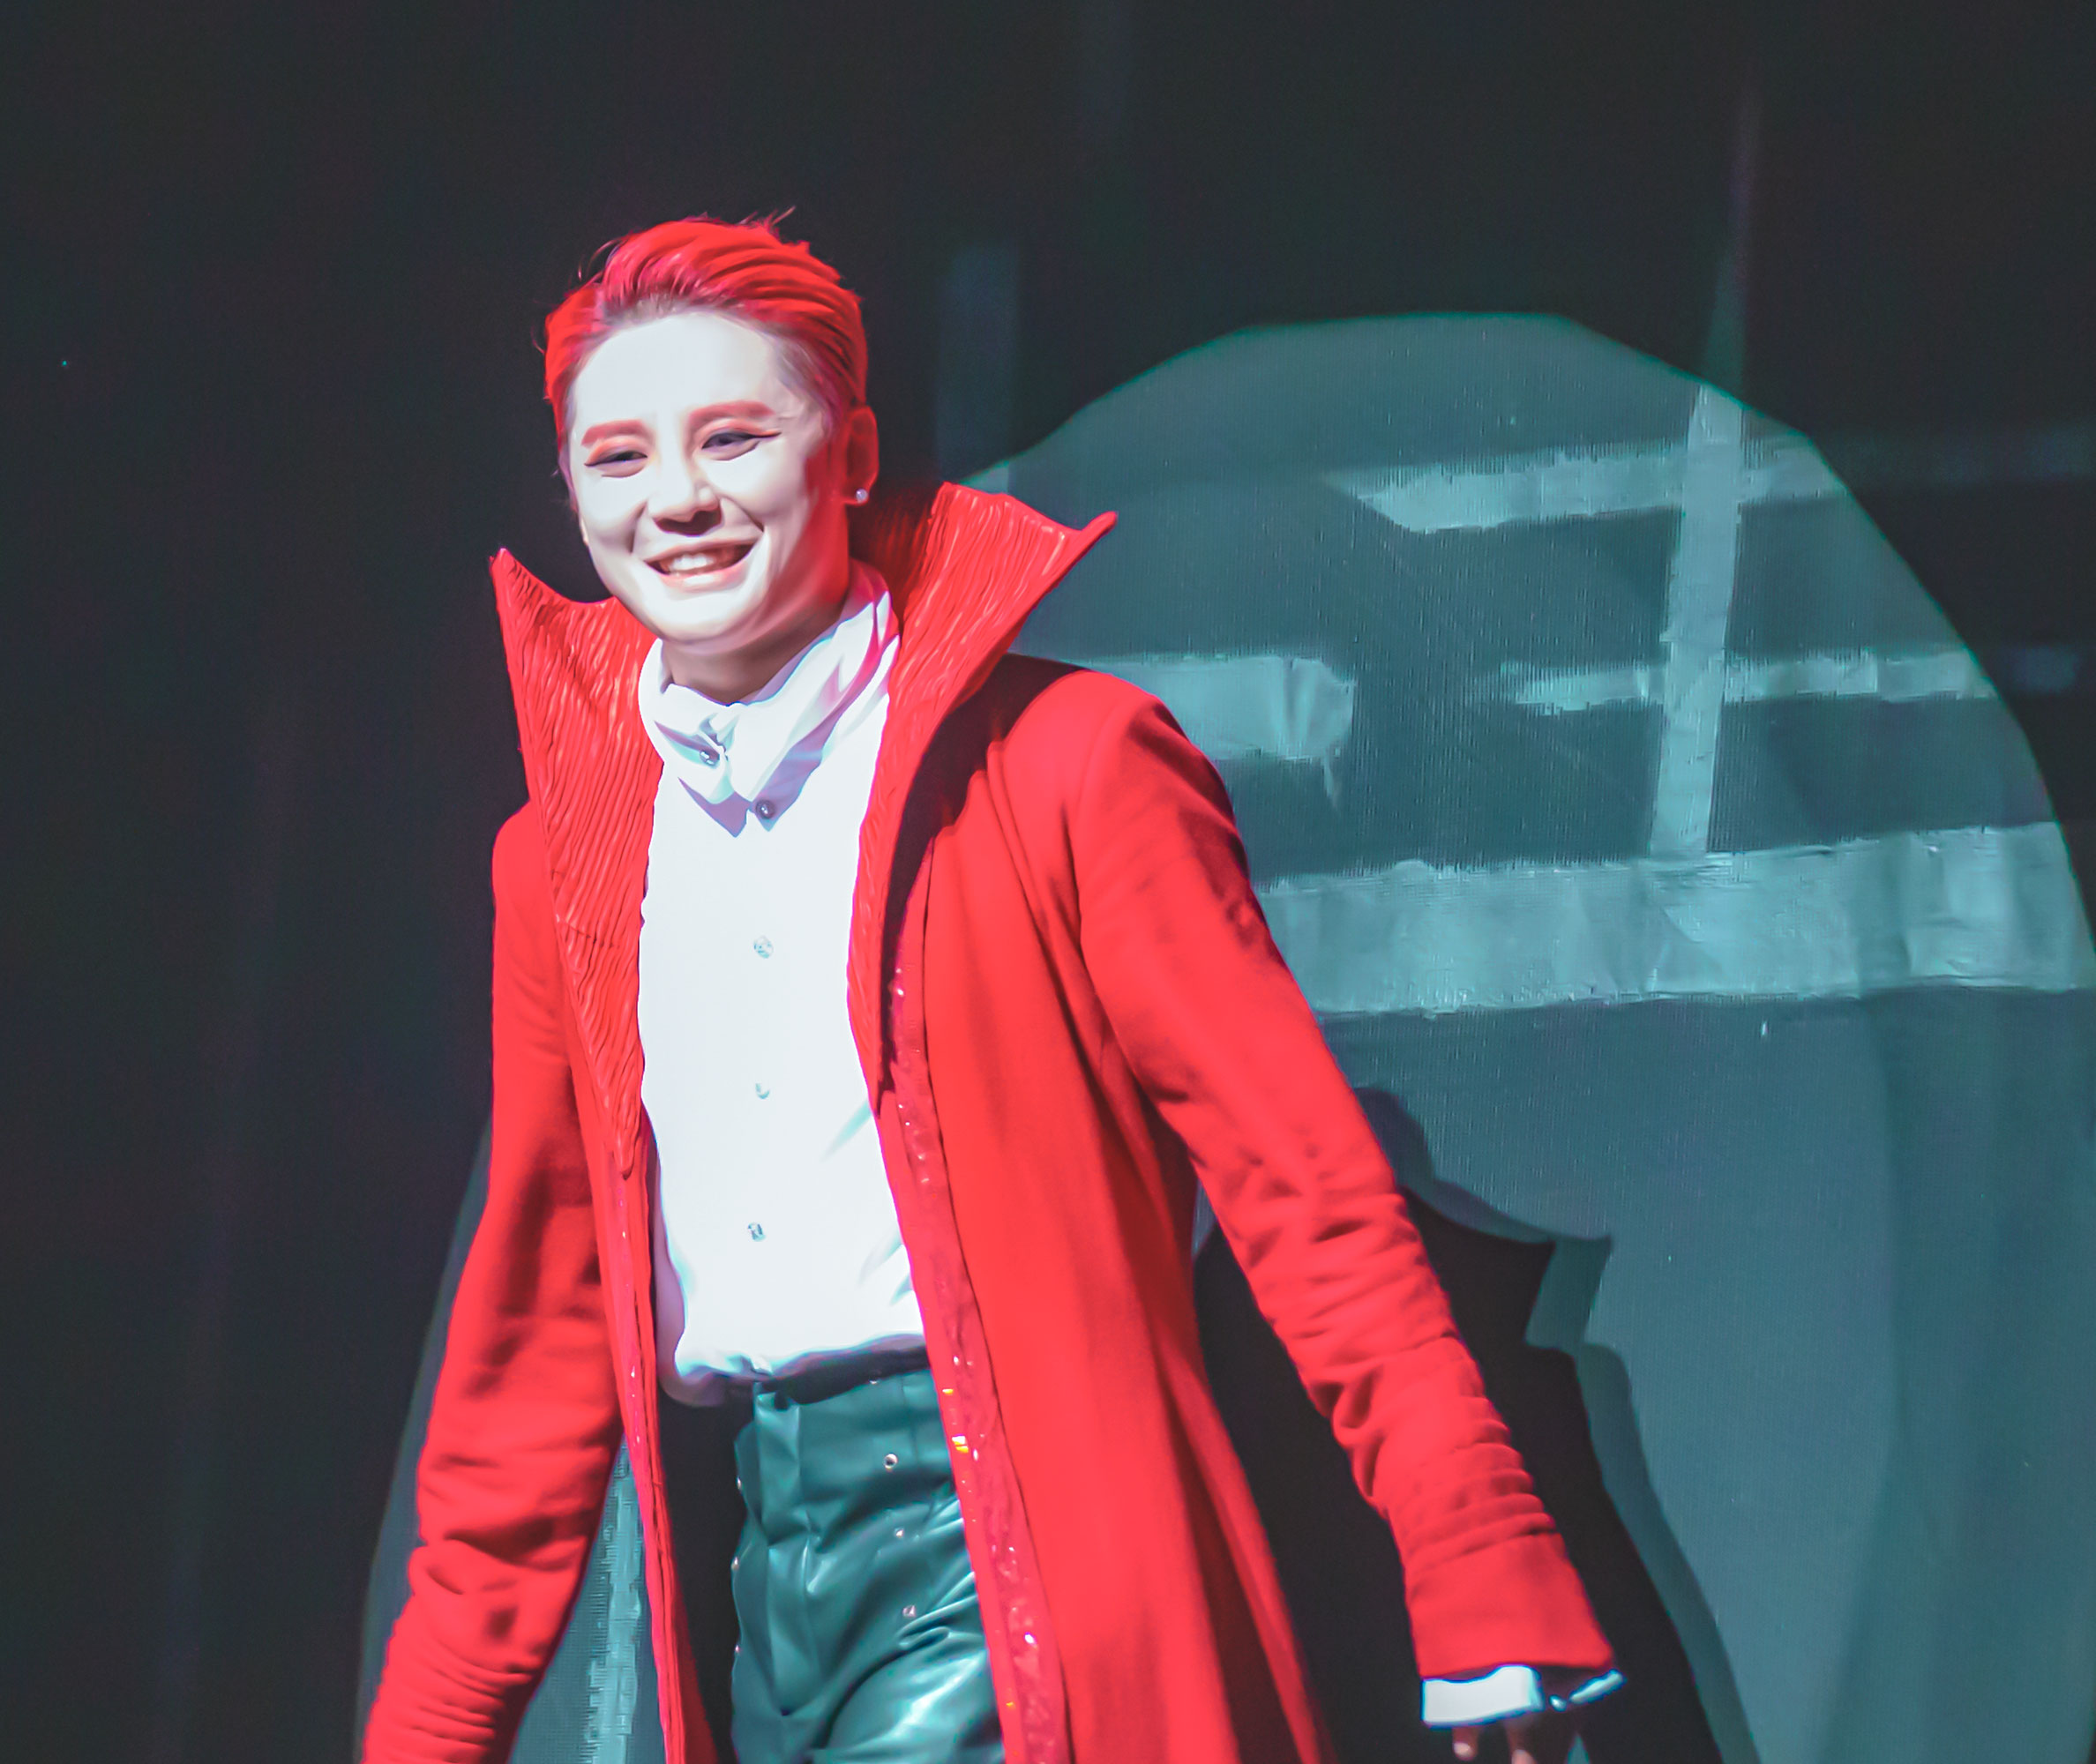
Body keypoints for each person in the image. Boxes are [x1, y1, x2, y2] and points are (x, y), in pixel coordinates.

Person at [362, 216, 1620, 1764]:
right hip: (773, 1587)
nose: (675, 498)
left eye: (733, 437)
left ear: (852, 453)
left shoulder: (1068, 767)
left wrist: (1477, 1553)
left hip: (1016, 1564)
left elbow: (1305, 1193)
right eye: (616, 457)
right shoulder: (561, 862)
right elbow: (535, 1351)